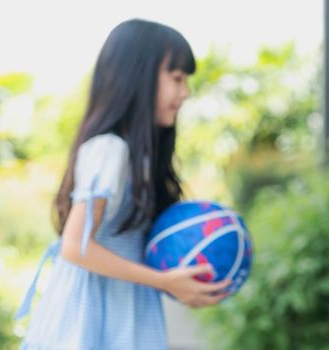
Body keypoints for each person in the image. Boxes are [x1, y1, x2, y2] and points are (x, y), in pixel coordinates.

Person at [15, 19, 231, 349]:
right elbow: (76, 247)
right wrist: (163, 281)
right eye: (176, 78)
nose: (185, 92)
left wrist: (180, 279)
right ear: (137, 77)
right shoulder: (109, 150)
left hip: (126, 302)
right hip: (91, 309)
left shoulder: (139, 155)